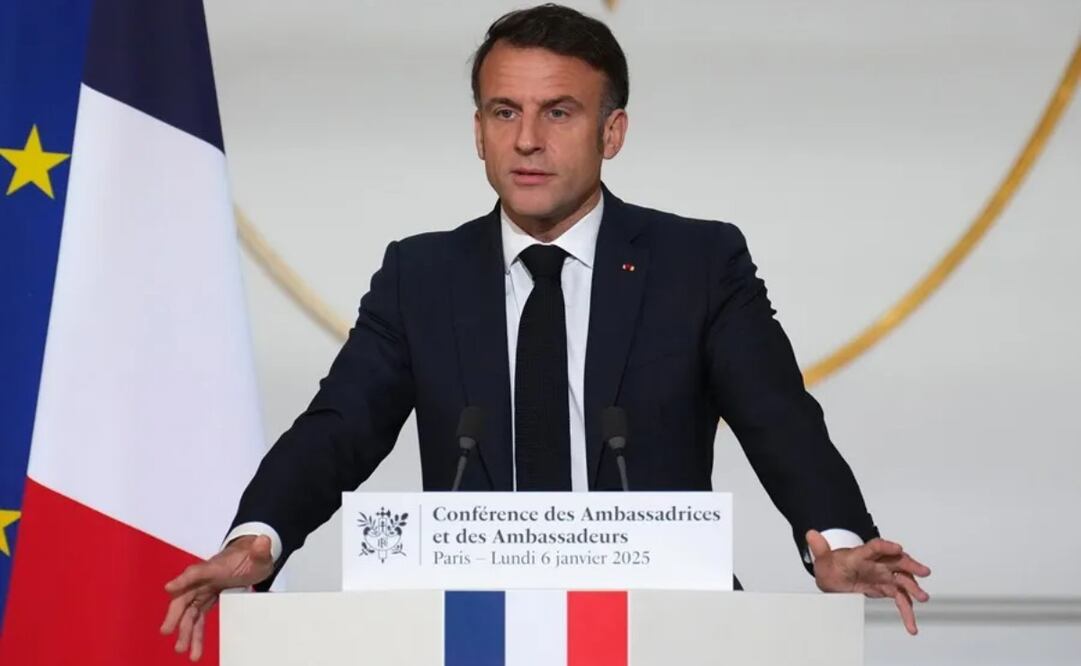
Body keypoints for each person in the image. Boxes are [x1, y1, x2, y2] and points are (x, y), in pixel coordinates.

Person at [161, 4, 931, 660]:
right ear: (478, 129)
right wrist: (258, 537)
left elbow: (777, 417)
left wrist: (833, 536)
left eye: (557, 112)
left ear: (612, 131)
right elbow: (340, 426)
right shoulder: (421, 274)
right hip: (465, 631)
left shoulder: (696, 262)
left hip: (665, 630)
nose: (527, 139)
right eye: (505, 112)